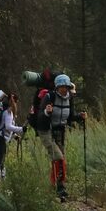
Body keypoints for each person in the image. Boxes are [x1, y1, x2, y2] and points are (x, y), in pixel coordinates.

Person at [38, 73, 86, 201]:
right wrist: (46, 112)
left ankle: (59, 186)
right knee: (58, 157)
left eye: (67, 87)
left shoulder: (69, 98)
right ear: (57, 87)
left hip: (60, 131)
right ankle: (58, 187)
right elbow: (40, 116)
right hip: (46, 130)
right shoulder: (49, 97)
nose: (65, 89)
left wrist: (79, 117)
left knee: (61, 159)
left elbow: (70, 116)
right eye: (62, 87)